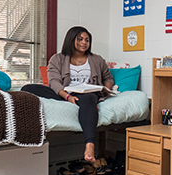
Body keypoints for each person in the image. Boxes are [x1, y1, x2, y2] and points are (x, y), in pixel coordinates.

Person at [22, 26, 114, 163]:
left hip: (87, 94)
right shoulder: (57, 59)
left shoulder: (97, 59)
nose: (84, 42)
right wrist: (67, 97)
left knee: (89, 99)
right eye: (80, 39)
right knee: (27, 88)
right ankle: (71, 100)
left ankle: (89, 144)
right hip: (64, 93)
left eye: (87, 40)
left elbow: (108, 78)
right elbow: (53, 82)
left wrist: (105, 92)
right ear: (71, 40)